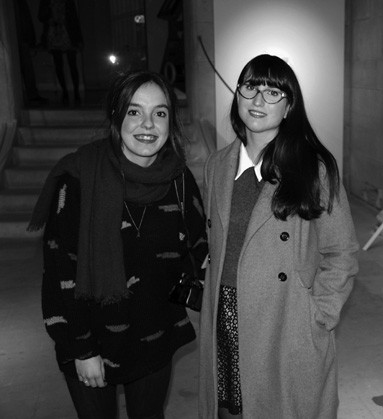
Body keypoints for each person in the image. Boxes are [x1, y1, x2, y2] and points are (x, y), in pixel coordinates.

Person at [28, 70, 207, 418]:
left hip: (155, 336)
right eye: (134, 111)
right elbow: (60, 273)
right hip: (91, 339)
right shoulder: (79, 178)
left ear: (170, 121)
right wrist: (82, 350)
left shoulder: (178, 178)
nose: (148, 124)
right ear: (116, 115)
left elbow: (199, 248)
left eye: (159, 113)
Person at [198, 54, 359, 419]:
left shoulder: (314, 169)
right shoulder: (217, 165)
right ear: (237, 94)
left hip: (285, 319)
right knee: (228, 410)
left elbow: (342, 252)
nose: (258, 99)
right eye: (250, 87)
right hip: (224, 313)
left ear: (289, 107)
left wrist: (318, 314)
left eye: (273, 92)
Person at [38, 0, 83, 106]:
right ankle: (65, 92)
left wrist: (78, 39)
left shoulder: (68, 2)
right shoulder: (46, 2)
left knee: (72, 64)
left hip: (68, 33)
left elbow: (74, 18)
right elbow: (41, 16)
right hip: (54, 33)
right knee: (59, 64)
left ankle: (75, 92)